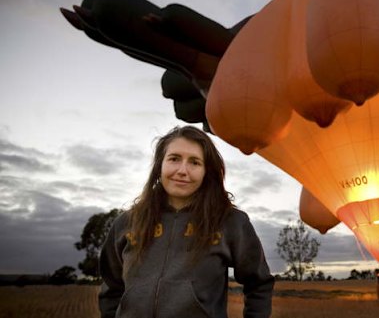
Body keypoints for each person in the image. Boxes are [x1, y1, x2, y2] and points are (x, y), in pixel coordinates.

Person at [98, 125, 274, 318]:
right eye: (174, 159)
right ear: (159, 166)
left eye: (195, 162)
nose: (182, 170)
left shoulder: (229, 222)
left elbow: (258, 283)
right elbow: (111, 288)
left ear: (207, 171)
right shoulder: (127, 222)